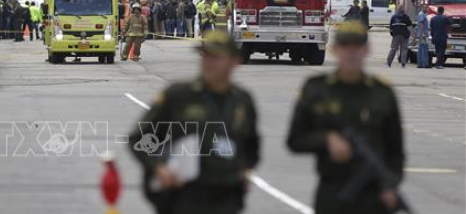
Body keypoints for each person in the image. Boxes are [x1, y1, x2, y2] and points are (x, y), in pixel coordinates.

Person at [128, 30, 260, 214]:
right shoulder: (180, 96)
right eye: (205, 56)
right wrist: (159, 168)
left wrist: (245, 169)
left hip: (227, 197)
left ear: (234, 61)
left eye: (216, 57)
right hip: (184, 197)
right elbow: (138, 138)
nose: (208, 62)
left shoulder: (242, 101)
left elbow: (251, 146)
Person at [286, 21, 404, 214]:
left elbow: (396, 150)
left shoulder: (382, 94)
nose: (351, 53)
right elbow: (295, 140)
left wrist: (391, 185)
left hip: (374, 196)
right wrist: (326, 140)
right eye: (345, 47)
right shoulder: (317, 89)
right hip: (332, 193)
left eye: (357, 47)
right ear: (335, 50)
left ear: (366, 50)